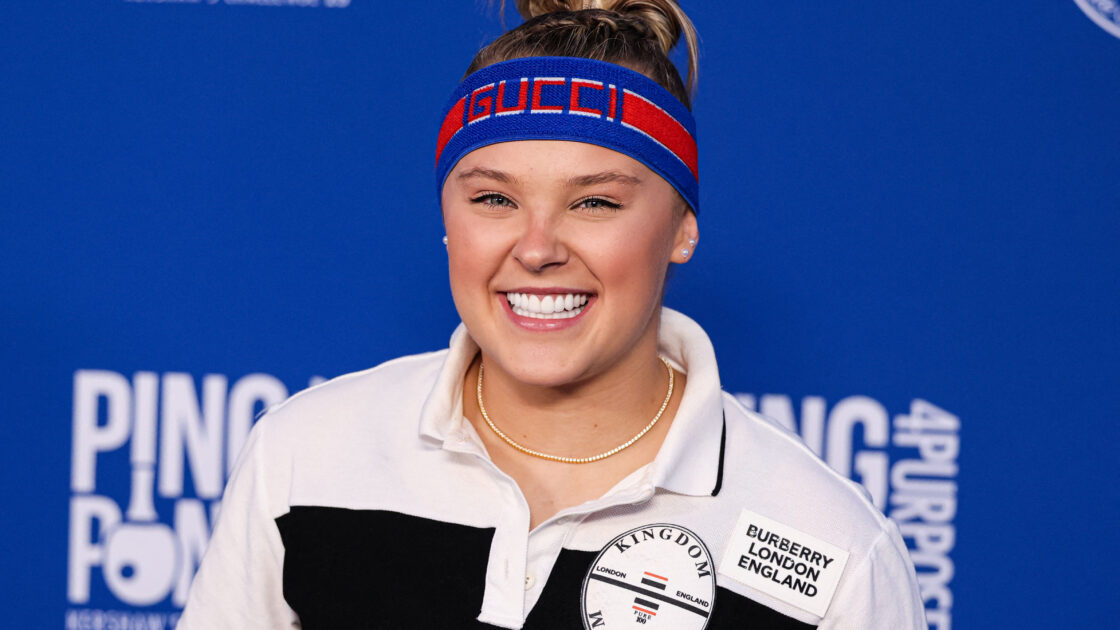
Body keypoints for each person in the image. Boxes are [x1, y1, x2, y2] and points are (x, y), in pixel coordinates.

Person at [177, 1, 927, 628]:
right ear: (447, 219)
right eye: (493, 198)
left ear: (682, 227)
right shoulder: (304, 456)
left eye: (594, 202)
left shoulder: (833, 550)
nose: (537, 249)